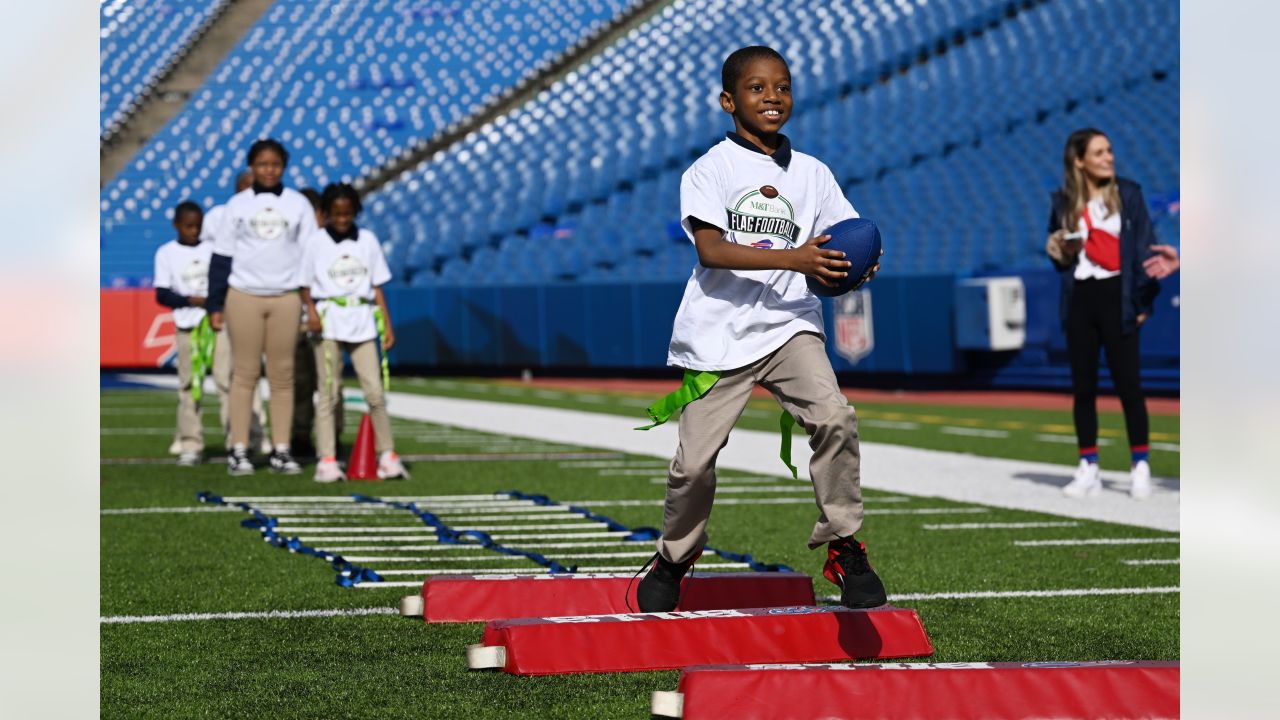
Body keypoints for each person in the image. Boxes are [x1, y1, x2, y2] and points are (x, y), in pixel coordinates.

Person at [635, 46, 886, 612]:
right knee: (693, 464)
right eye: (757, 88)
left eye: (783, 87)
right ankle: (676, 556)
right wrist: (795, 258)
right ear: (729, 101)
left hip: (790, 324)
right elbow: (711, 248)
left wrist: (860, 263)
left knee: (835, 417)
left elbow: (845, 236)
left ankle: (844, 545)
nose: (772, 96)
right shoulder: (711, 169)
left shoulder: (813, 173)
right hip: (718, 334)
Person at [1045, 128, 1161, 500]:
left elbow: (1145, 251)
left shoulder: (1129, 193)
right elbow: (1061, 259)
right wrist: (1057, 249)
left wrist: (1143, 303)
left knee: (1129, 385)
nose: (1108, 157)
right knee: (1084, 388)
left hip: (1119, 296)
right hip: (1081, 298)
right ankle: (1088, 467)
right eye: (1099, 152)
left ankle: (1139, 465)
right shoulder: (1063, 201)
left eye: (1109, 150)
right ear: (1079, 160)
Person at [206, 139, 319, 476]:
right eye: (262, 164)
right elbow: (222, 258)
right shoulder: (237, 205)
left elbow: (310, 256)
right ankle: (239, 449)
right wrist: (215, 304)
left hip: (285, 297)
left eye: (275, 164)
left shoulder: (298, 204)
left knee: (283, 376)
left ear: (284, 167)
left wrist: (309, 304)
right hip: (244, 296)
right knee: (244, 374)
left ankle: (281, 450)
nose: (269, 170)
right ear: (251, 166)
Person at [298, 183, 407, 482]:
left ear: (355, 212)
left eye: (347, 214)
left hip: (363, 321)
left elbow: (376, 285)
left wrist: (386, 322)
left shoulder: (368, 240)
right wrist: (312, 313)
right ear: (327, 214)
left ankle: (387, 455)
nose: (342, 219)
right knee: (329, 394)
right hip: (329, 321)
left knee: (375, 392)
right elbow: (304, 285)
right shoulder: (316, 242)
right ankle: (328, 459)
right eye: (336, 214)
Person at [199, 170, 270, 456]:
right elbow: (209, 258)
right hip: (228, 300)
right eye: (245, 186)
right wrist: (214, 303)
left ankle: (257, 433)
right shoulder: (219, 216)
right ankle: (234, 433)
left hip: (254, 298)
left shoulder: (269, 214)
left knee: (251, 372)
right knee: (223, 374)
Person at [153, 201, 212, 466]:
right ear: (176, 225)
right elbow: (162, 294)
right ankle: (190, 443)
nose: (194, 231)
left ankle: (241, 442)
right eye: (188, 226)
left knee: (228, 382)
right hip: (187, 327)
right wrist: (190, 300)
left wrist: (210, 305)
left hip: (215, 326)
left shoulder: (213, 249)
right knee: (188, 385)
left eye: (198, 226)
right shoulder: (166, 253)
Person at [289, 187, 326, 460]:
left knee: (329, 384)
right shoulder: (290, 244)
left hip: (328, 324)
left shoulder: (329, 243)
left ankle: (331, 438)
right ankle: (299, 437)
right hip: (297, 322)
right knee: (299, 384)